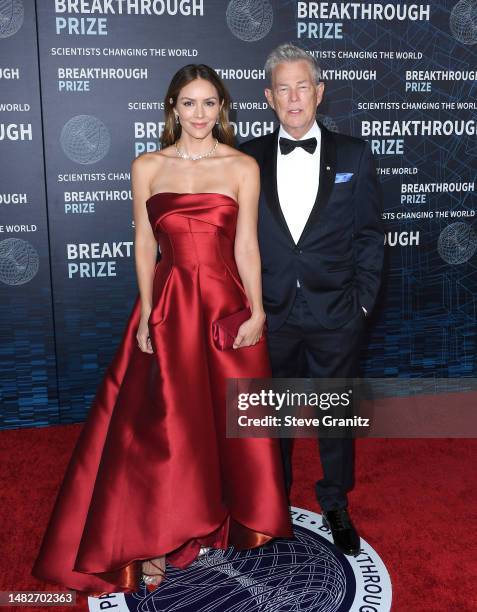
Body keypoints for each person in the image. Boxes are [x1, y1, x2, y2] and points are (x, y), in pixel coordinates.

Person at [31, 64, 293, 595]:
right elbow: (145, 246)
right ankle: (154, 533)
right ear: (173, 107)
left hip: (224, 305)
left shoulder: (242, 166)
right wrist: (150, 312)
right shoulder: (147, 165)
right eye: (190, 103)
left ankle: (211, 520)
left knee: (221, 419)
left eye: (210, 103)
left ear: (223, 108)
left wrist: (258, 312)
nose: (200, 115)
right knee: (161, 423)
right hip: (170, 306)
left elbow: (246, 245)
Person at [240, 43, 384, 556]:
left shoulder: (354, 154)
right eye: (284, 88)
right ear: (269, 97)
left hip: (336, 314)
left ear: (319, 93)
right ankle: (269, 502)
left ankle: (335, 501)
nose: (294, 97)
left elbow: (369, 235)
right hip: (270, 315)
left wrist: (362, 305)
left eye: (303, 86)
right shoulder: (248, 157)